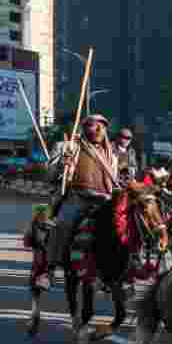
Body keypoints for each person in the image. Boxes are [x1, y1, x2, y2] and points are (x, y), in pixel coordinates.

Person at [45, 114, 120, 272]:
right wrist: (61, 164)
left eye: (103, 126)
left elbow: (114, 180)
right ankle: (50, 268)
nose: (100, 129)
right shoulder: (67, 147)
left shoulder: (111, 155)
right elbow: (49, 175)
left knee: (124, 226)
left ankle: (123, 268)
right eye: (95, 125)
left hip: (103, 200)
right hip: (77, 197)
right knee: (62, 225)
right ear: (85, 128)